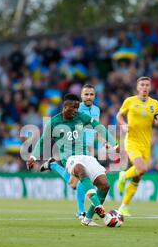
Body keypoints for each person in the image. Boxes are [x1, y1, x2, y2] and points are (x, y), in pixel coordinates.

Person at [26, 93, 118, 226]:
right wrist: (33, 157)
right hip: (69, 159)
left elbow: (99, 127)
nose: (76, 111)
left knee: (104, 185)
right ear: (65, 107)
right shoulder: (53, 122)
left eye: (77, 107)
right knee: (80, 172)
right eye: (73, 108)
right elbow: (42, 141)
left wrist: (114, 143)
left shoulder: (81, 117)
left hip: (86, 156)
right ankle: (99, 208)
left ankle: (87, 219)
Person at [42, 84, 101, 219]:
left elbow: (95, 128)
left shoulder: (97, 110)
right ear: (81, 96)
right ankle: (81, 211)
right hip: (75, 147)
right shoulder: (76, 109)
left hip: (88, 147)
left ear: (95, 96)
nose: (89, 97)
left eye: (91, 94)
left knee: (74, 183)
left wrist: (102, 143)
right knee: (80, 180)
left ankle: (53, 165)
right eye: (86, 94)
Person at [116, 76, 158, 216]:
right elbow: (119, 115)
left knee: (138, 177)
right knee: (142, 168)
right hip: (132, 142)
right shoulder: (130, 101)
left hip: (146, 144)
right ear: (138, 87)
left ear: (150, 87)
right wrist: (123, 124)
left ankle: (123, 207)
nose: (144, 87)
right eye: (142, 85)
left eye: (147, 85)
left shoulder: (154, 103)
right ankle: (123, 175)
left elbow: (157, 120)